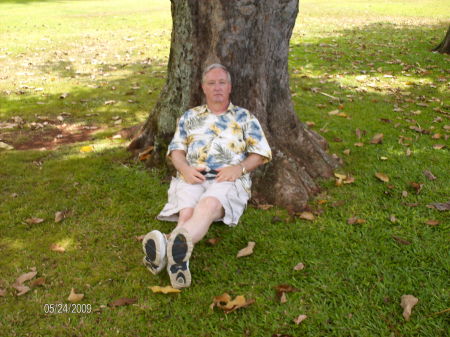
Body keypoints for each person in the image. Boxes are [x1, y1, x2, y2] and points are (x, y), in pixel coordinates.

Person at [142, 64, 272, 289]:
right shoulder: (190, 116)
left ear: (230, 87)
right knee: (187, 214)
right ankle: (176, 261)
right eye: (211, 83)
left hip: (227, 178)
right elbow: (176, 150)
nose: (217, 88)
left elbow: (261, 153)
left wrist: (239, 168)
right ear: (204, 88)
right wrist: (184, 169)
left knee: (208, 205)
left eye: (222, 82)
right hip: (193, 175)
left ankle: (164, 246)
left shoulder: (244, 117)